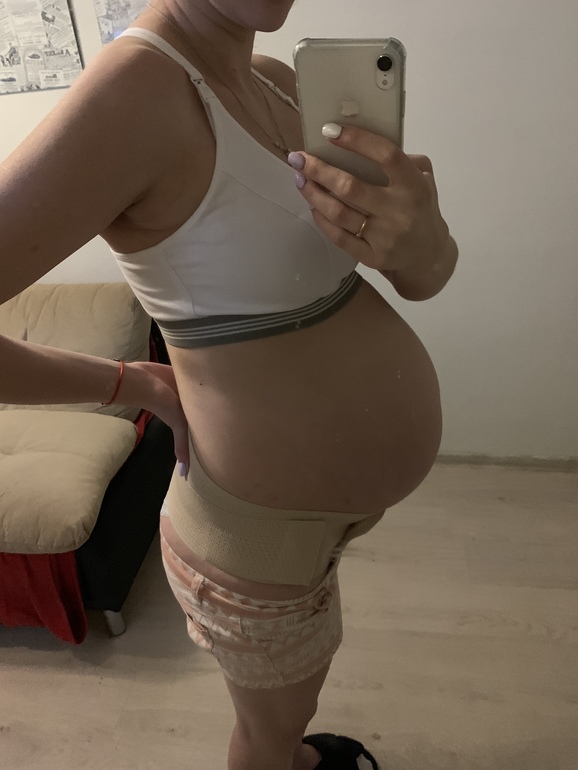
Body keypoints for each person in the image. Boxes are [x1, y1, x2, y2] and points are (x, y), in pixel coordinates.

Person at [0, 2, 459, 769]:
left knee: (295, 707)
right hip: (254, 537)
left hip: (317, 519)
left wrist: (424, 241)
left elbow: (425, 280)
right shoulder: (138, 89)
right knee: (269, 734)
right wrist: (133, 381)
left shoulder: (277, 82)